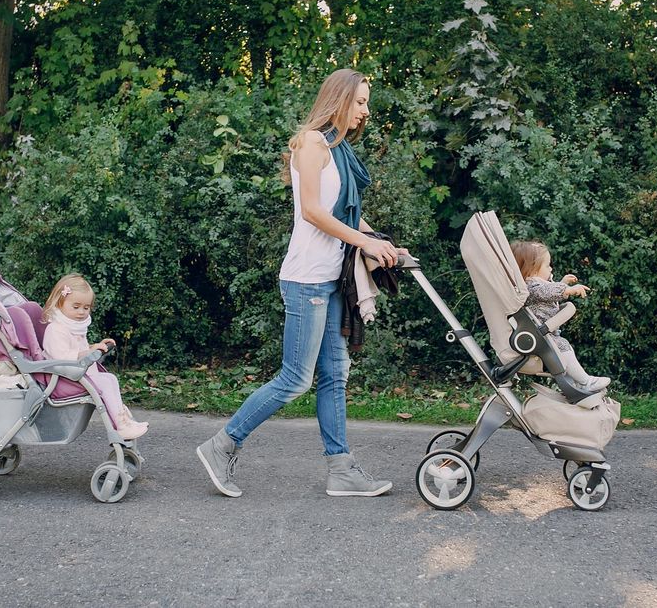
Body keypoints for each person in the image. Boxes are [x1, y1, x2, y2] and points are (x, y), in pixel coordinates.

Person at [197, 68, 403, 498]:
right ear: (340, 99)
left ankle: (341, 469)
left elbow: (344, 214)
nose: (366, 110)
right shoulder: (312, 143)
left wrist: (379, 244)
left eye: (367, 103)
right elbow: (313, 210)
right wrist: (363, 240)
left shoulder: (339, 148)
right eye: (361, 101)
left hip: (329, 280)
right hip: (306, 280)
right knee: (295, 378)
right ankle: (222, 444)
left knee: (335, 372)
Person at [41, 273, 148, 441]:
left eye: (86, 307)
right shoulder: (56, 329)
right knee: (105, 382)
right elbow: (63, 357)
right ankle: (121, 426)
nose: (81, 312)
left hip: (76, 376)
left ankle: (123, 420)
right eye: (75, 307)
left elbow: (78, 349)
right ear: (60, 303)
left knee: (110, 378)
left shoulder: (74, 327)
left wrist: (94, 347)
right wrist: (89, 352)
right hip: (61, 380)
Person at [510, 239, 610, 392]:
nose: (551, 269)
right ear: (533, 269)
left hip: (544, 334)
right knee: (563, 347)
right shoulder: (530, 286)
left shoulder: (536, 284)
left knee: (564, 348)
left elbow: (548, 292)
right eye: (547, 265)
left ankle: (578, 384)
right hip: (539, 336)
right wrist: (568, 290)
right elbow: (545, 292)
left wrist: (562, 283)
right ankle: (585, 382)